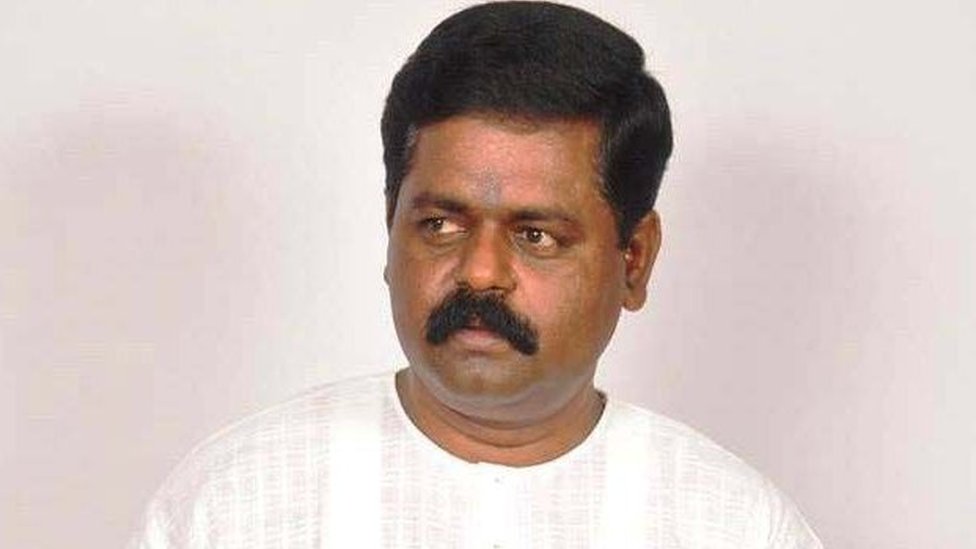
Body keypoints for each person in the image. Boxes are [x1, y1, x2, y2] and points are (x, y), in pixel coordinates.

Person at [130, 2, 823, 547]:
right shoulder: (236, 502)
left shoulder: (729, 525)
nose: (480, 272)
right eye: (441, 225)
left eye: (536, 235)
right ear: (391, 228)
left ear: (634, 260)